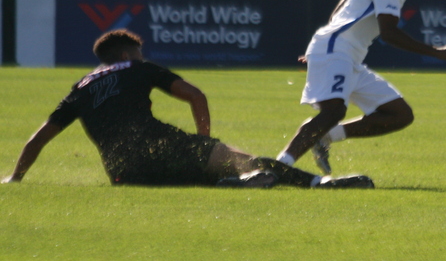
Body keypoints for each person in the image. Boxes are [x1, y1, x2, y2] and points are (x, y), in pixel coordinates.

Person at [2, 29, 372, 189]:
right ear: (128, 55)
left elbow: (38, 140)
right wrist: (204, 143)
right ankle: (319, 183)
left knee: (203, 176)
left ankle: (231, 184)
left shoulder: (80, 88)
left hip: (124, 174)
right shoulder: (139, 67)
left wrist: (15, 178)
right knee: (247, 162)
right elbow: (196, 96)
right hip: (160, 147)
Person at [276, 0, 446, 174]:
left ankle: (326, 136)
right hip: (338, 50)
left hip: (345, 55)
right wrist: (437, 52)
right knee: (333, 111)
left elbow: (348, 0)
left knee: (399, 114)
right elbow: (388, 33)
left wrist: (326, 45)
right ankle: (278, 167)